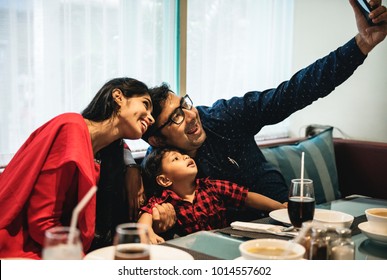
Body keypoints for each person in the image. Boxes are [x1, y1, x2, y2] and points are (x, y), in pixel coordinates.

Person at [141, 0, 387, 222]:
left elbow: (293, 92)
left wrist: (362, 44)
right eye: (176, 117)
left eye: (185, 105)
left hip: (286, 219)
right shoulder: (160, 167)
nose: (191, 116)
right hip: (228, 243)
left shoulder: (224, 116)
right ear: (157, 139)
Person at [0, 77, 158, 259]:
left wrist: (132, 167)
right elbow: (42, 222)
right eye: (145, 104)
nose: (151, 118)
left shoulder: (104, 154)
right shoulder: (71, 128)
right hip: (20, 249)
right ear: (118, 97)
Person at [138, 147, 287, 244]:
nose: (184, 157)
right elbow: (146, 214)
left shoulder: (212, 186)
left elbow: (247, 197)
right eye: (175, 159)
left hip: (222, 243)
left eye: (183, 155)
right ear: (164, 180)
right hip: (190, 250)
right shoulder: (165, 200)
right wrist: (147, 232)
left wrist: (280, 207)